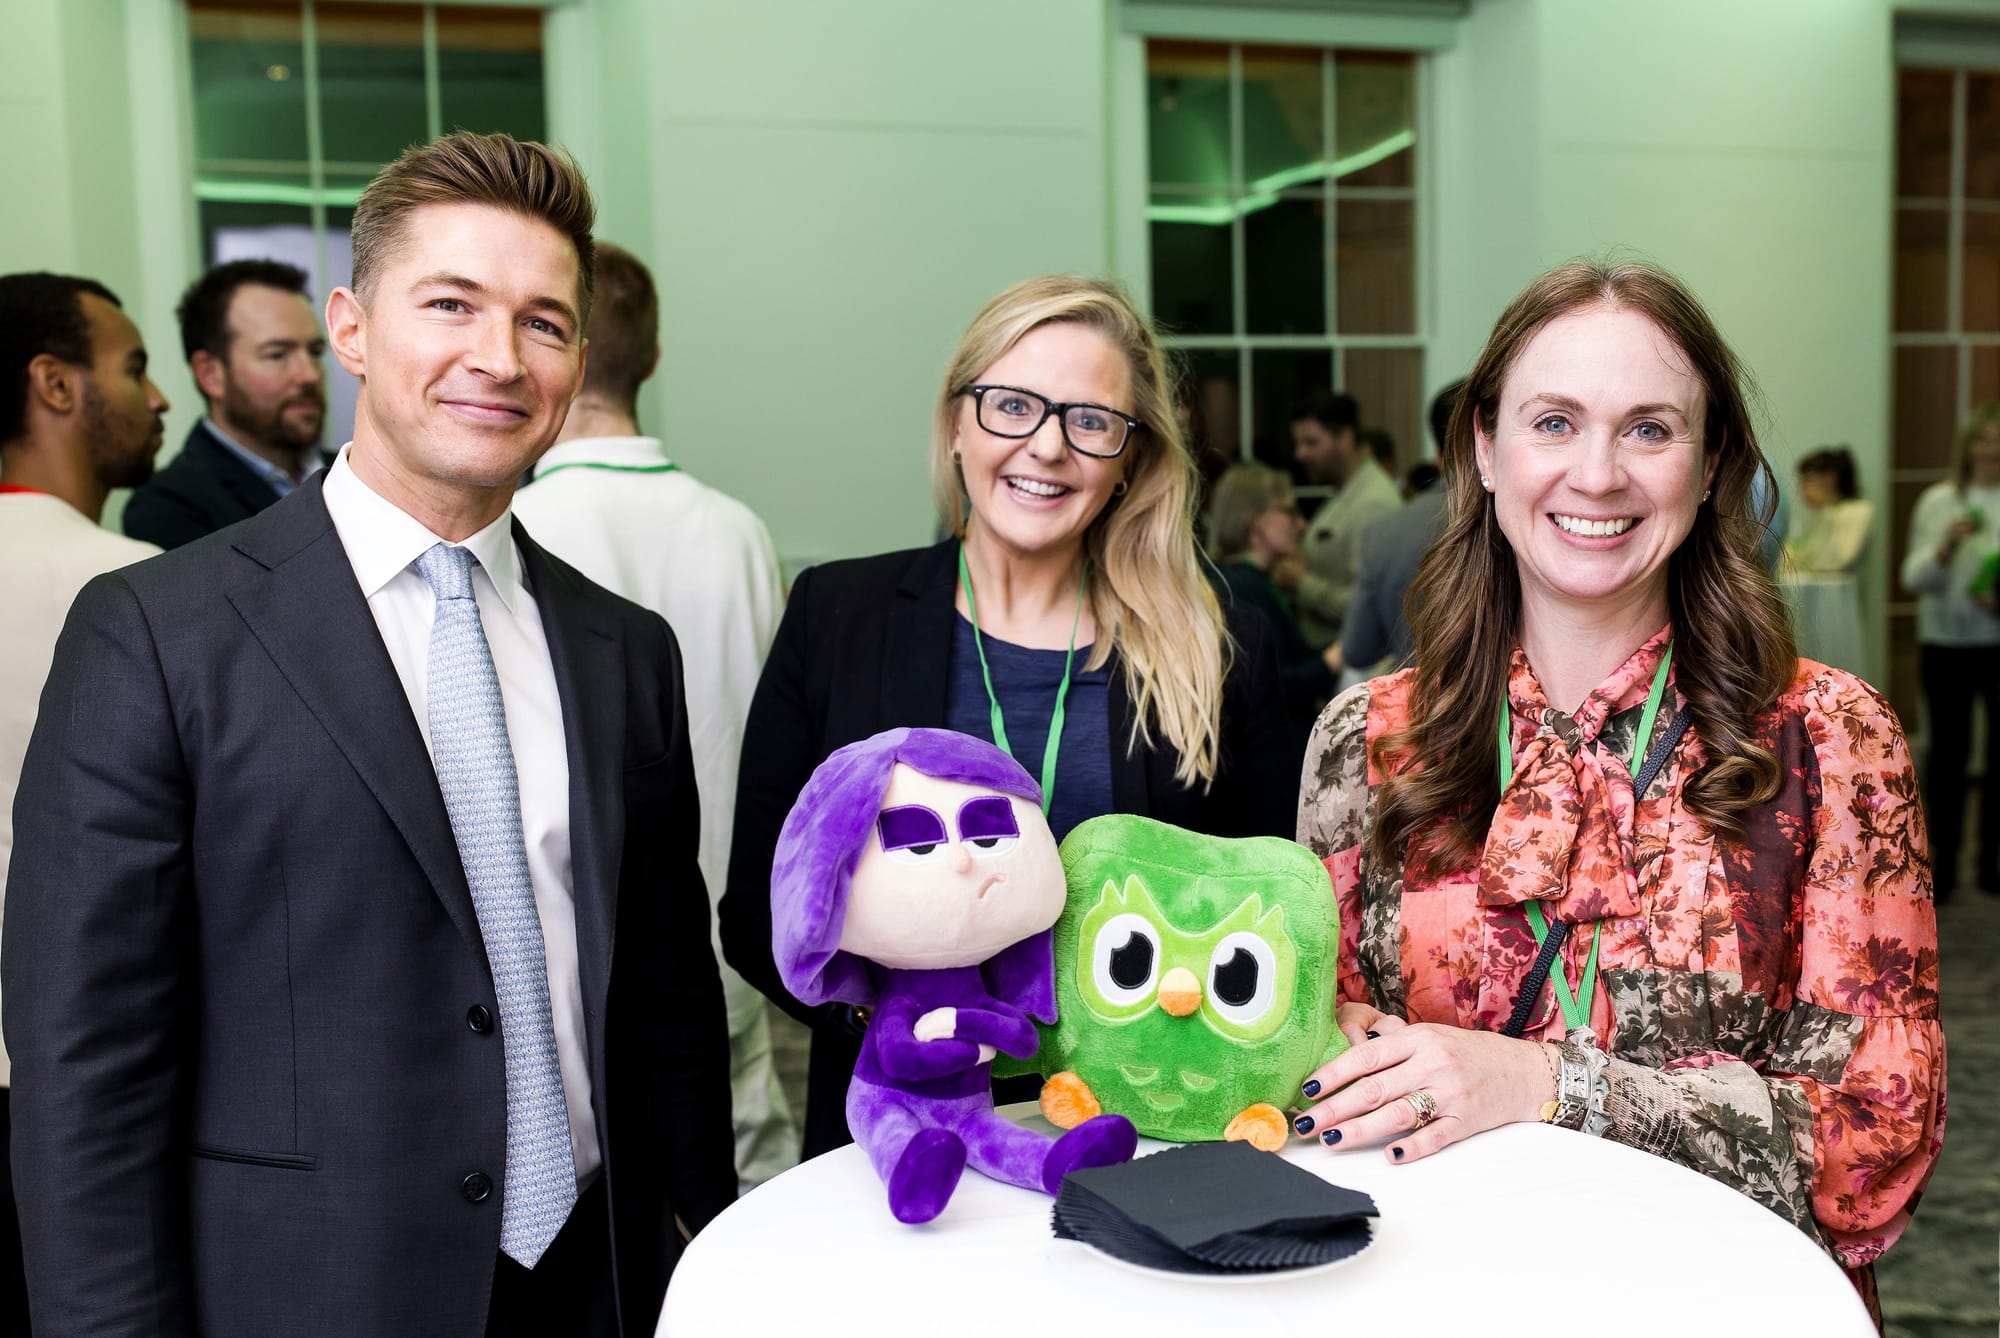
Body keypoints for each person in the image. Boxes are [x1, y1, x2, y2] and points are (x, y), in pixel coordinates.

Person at [4, 132, 735, 1337]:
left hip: (596, 1280)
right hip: (304, 1293)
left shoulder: (623, 651)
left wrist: (698, 1235)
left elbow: (662, 996)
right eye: (450, 305)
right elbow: (87, 1067)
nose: (497, 358)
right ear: (351, 326)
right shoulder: (157, 632)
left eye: (544, 323)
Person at [1292, 259, 1942, 1322]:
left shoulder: (1827, 738)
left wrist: (1547, 1085)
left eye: (1648, 429)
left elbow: (1874, 1145)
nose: (1596, 474)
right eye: (1552, 422)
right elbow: (1312, 1063)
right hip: (1433, 1298)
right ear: (1482, 450)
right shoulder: (1364, 740)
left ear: (1710, 463)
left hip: (1717, 1308)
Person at [721, 275, 1293, 1160]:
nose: (1048, 447)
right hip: (904, 1125)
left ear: (1129, 461)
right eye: (1012, 406)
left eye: (1090, 421)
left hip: (1139, 1130)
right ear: (956, 425)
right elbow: (762, 902)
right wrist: (909, 1021)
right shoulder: (838, 616)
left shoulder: (1221, 644)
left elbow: (1270, 910)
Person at [512, 240, 798, 1189]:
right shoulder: (739, 529)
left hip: (592, 942)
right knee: (747, 1167)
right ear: (655, 357)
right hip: (730, 911)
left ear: (571, 352)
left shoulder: (524, 531)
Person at [0, 271, 167, 1338]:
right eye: (135, 367)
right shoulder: (152, 599)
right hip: (88, 1086)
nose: (157, 400)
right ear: (55, 385)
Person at [124, 259, 328, 548]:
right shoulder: (170, 508)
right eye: (276, 355)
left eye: (315, 352)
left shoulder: (355, 473)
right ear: (210, 374)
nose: (309, 375)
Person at [1900, 403, 2000, 898]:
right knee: (1950, 756)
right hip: (1945, 641)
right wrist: (1943, 547)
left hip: (1995, 641)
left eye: (1999, 439)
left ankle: (1991, 865)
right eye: (1984, 439)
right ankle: (1945, 864)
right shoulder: (1940, 501)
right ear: (1969, 446)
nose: (1992, 449)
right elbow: (1913, 578)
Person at [1203, 462, 1334, 763]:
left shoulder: (1246, 582)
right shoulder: (1240, 589)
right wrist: (1332, 661)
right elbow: (1274, 686)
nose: (1300, 524)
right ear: (1257, 522)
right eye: (1289, 511)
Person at [1337, 380, 1463, 679]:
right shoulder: (1531, 524)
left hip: (1419, 710)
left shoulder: (1384, 533)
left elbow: (1358, 650)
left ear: (1438, 458)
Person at [1287, 390, 1401, 647]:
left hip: (1348, 665)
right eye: (1298, 444)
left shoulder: (1373, 502)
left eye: (1311, 443)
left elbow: (1365, 603)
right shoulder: (1345, 493)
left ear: (1345, 439)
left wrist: (1300, 582)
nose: (1300, 454)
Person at [1781, 445, 1875, 680]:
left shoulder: (1859, 511)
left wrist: (1828, 511)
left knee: (1840, 673)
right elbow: (1793, 558)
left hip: (1838, 607)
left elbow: (1840, 559)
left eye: (1808, 479)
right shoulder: (1811, 516)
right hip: (1807, 606)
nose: (1803, 487)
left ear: (1831, 478)